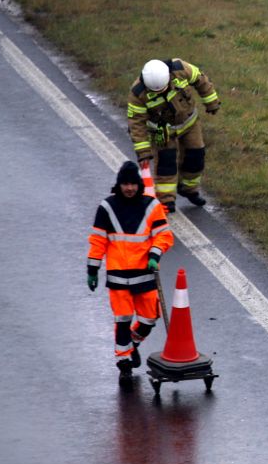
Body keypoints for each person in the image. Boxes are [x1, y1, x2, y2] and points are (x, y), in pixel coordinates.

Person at [88, 161, 174, 377]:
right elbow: (98, 241)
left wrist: (155, 253)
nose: (129, 188)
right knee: (123, 319)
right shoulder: (106, 208)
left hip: (144, 273)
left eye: (133, 184)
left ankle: (132, 345)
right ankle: (123, 362)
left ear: (138, 184)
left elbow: (164, 235)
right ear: (119, 184)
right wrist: (92, 268)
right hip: (118, 276)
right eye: (125, 184)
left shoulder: (151, 206)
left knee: (148, 319)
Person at [127, 58, 221, 213]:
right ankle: (166, 200)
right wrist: (143, 153)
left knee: (196, 156)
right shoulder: (137, 93)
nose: (161, 93)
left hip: (189, 123)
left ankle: (188, 189)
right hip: (161, 130)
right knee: (166, 162)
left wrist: (212, 102)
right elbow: (136, 124)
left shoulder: (180, 69)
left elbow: (201, 80)